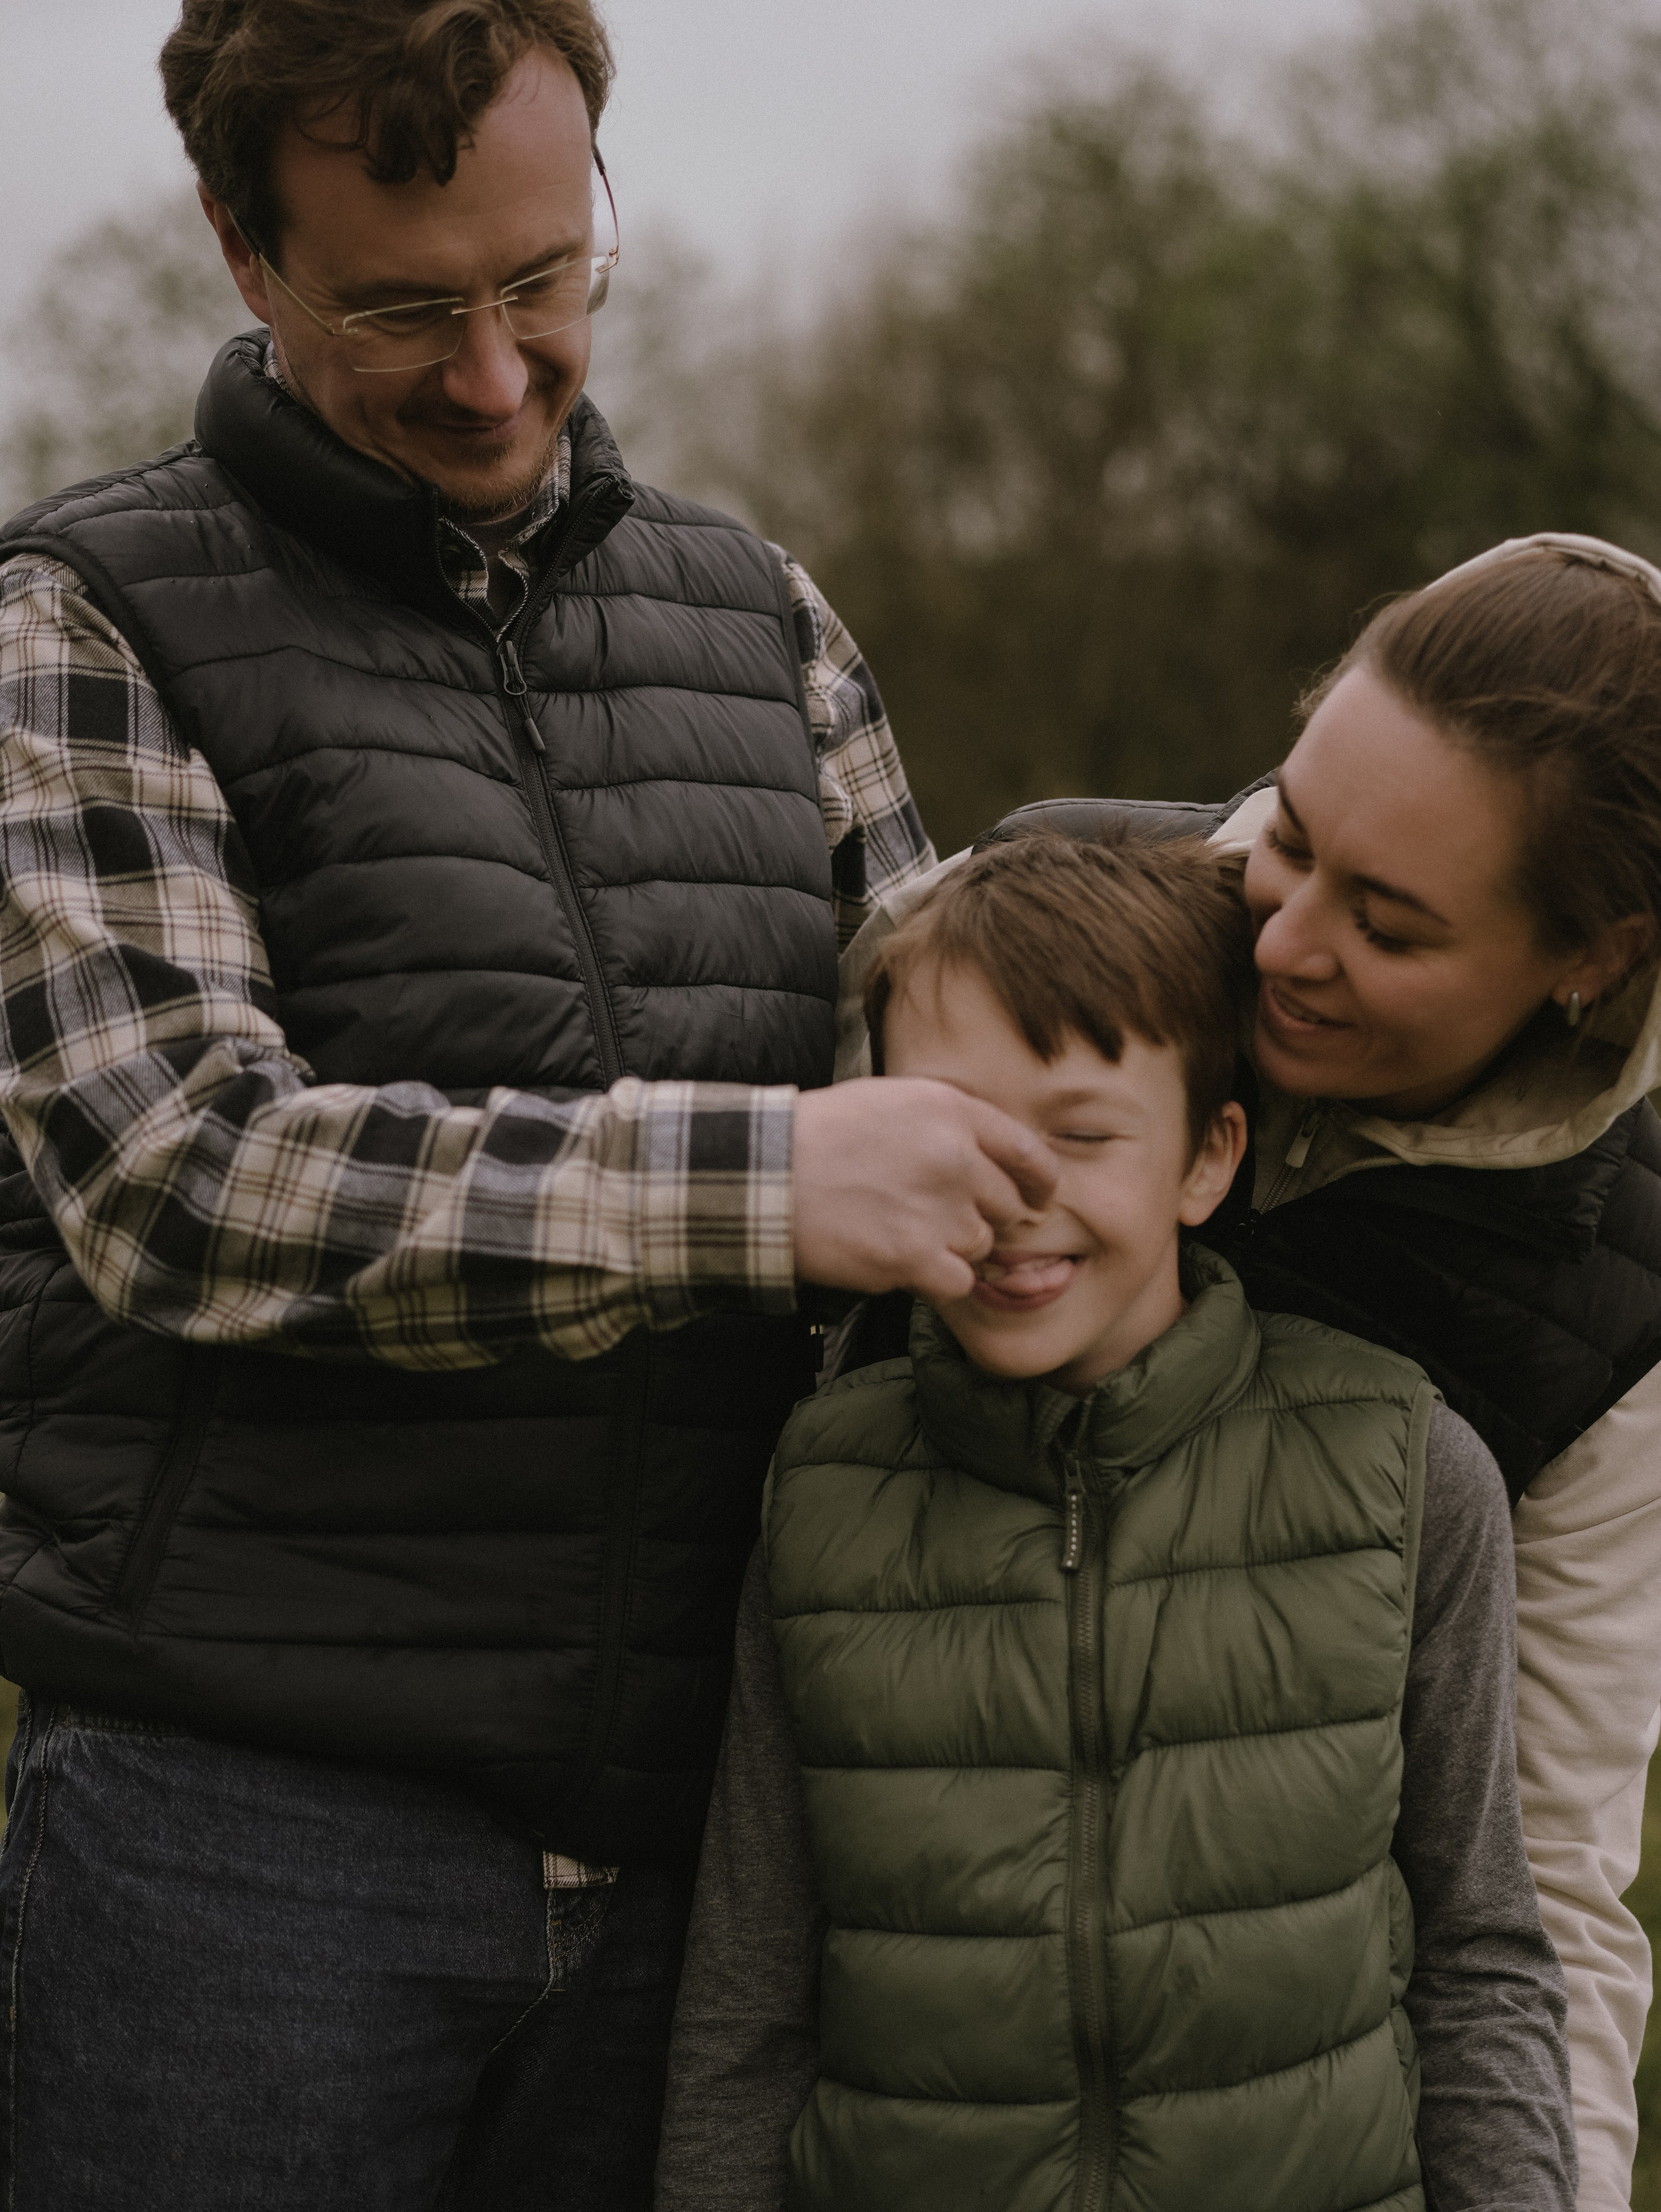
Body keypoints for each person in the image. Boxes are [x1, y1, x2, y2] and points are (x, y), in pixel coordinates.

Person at [0, 5, 1061, 2207]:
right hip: (253, 1843)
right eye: (403, 306)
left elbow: (970, 1053)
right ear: (241, 246)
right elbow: (176, 1175)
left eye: (546, 282)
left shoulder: (762, 619)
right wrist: (754, 1189)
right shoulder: (80, 620)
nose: (494, 373)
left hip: (718, 1830)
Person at [836, 531, 1661, 2209]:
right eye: (1291, 832)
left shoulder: (1618, 1300)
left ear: (1592, 957)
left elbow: (1545, 1865)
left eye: (1395, 926)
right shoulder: (1026, 923)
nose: (1283, 943)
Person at [653, 832, 1577, 2212]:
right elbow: (747, 1994)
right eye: (954, 1129)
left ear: (1205, 1160)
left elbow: (1478, 1952)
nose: (1015, 1197)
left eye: (1081, 1135)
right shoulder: (822, 1481)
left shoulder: (1404, 1470)